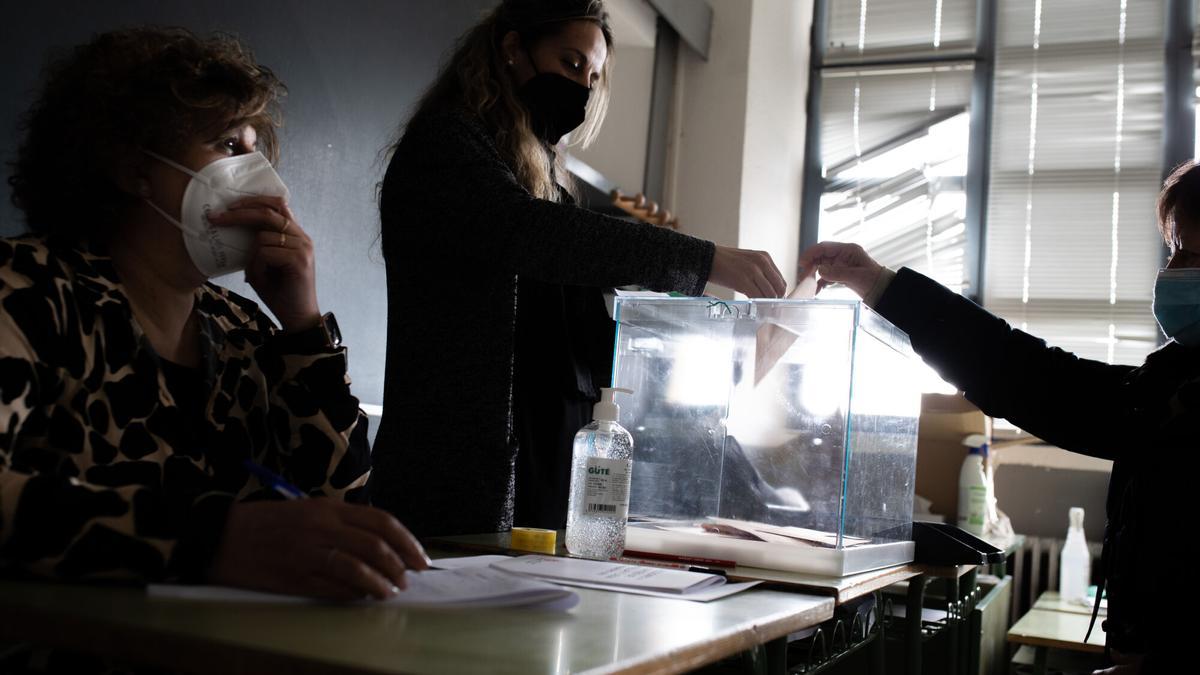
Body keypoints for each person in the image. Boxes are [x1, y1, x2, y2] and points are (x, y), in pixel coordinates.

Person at [0, 26, 429, 615]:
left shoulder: (243, 329)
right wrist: (210, 539)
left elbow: (344, 509)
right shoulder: (24, 290)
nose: (261, 177)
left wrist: (302, 325)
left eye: (258, 150)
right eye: (230, 145)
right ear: (133, 168)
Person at [372, 0, 787, 537]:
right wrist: (705, 259)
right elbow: (527, 232)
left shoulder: (542, 179)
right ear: (513, 49)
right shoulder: (446, 145)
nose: (582, 89)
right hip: (454, 483)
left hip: (542, 478)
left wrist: (725, 362)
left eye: (592, 76)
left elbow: (590, 336)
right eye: (570, 64)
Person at [797, 161, 1200, 674]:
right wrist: (878, 285)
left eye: (1193, 256)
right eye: (1175, 254)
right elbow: (1037, 379)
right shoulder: (1175, 379)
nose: (1173, 274)